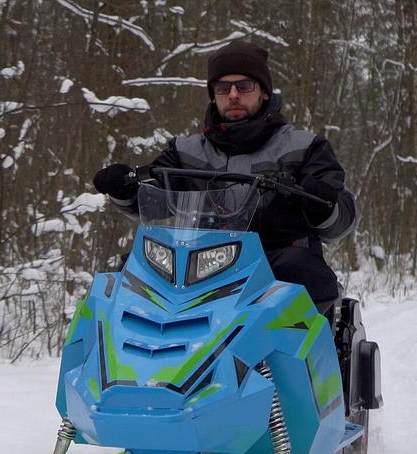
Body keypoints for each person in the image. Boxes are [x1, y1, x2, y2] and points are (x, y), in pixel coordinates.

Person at [92, 41, 356, 314]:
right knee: (131, 270)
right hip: (196, 265)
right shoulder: (183, 152)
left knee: (303, 271)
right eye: (223, 87)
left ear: (264, 92)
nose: (233, 95)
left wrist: (322, 203)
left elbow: (342, 217)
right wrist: (124, 189)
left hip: (276, 262)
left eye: (244, 86)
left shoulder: (306, 147)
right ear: (213, 94)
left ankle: (302, 352)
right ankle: (129, 351)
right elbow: (156, 193)